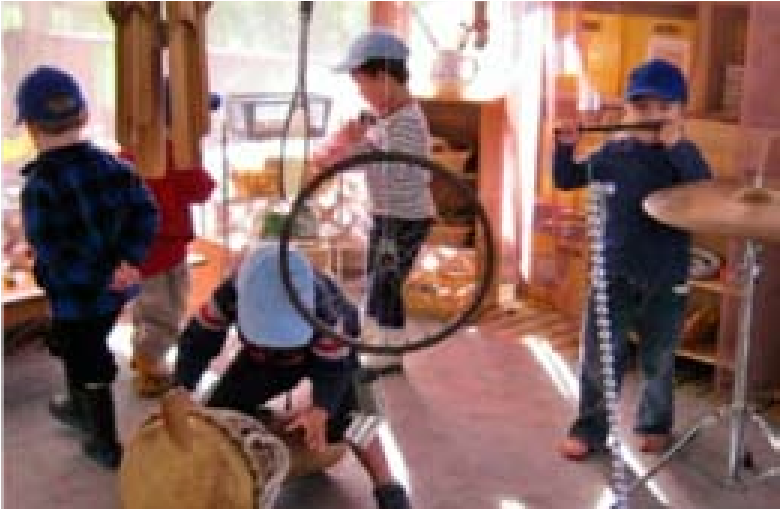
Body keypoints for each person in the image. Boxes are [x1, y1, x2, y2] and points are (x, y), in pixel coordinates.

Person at [172, 242, 412, 509]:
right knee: (217, 414)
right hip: (261, 360)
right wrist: (183, 385)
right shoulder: (230, 293)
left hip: (336, 361)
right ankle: (267, 420)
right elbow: (198, 339)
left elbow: (334, 369)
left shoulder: (328, 313)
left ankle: (387, 485)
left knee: (359, 411)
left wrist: (321, 408)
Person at [554, 59, 712, 460]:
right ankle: (591, 429)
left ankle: (654, 423)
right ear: (627, 112)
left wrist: (678, 145)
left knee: (658, 359)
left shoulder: (684, 157)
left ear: (681, 114)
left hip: (667, 276)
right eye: (643, 109)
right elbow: (568, 179)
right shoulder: (613, 152)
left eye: (665, 108)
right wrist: (566, 145)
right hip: (614, 273)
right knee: (599, 358)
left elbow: (705, 190)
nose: (653, 117)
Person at [17, 66, 159, 469]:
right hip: (115, 292)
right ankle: (79, 405)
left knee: (86, 355)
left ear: (30, 127)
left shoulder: (40, 186)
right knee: (74, 344)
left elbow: (54, 251)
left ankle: (104, 442)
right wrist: (130, 260)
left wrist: (101, 273)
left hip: (75, 296)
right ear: (83, 117)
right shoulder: (117, 167)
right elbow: (146, 213)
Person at [314, 28, 436, 369]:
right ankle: (376, 343)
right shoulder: (390, 118)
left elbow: (397, 172)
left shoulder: (408, 122)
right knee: (378, 280)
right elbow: (377, 157)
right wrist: (358, 141)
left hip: (407, 217)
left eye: (361, 84)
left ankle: (389, 354)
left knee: (387, 283)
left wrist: (358, 146)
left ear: (383, 77)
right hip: (387, 214)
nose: (361, 92)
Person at [121, 80, 219, 398]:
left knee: (160, 308)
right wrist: (195, 161)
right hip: (158, 248)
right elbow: (201, 189)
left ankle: (150, 358)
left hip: (157, 248)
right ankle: (148, 364)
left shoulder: (134, 150)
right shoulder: (176, 153)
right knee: (161, 310)